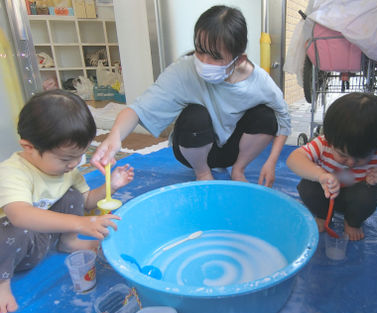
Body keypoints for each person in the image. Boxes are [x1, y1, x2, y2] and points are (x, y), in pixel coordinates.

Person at [91, 5, 291, 187]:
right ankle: (203, 173)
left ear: (239, 60)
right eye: (200, 51)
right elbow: (138, 109)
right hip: (195, 149)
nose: (204, 61)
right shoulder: (184, 70)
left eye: (215, 57)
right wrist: (114, 137)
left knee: (266, 116)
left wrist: (271, 162)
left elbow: (283, 117)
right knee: (194, 114)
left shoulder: (259, 81)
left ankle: (238, 170)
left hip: (233, 150)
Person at [0, 89, 134, 313]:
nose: (75, 164)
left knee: (72, 195)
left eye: (81, 155)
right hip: (8, 249)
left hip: (44, 238)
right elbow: (21, 215)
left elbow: (86, 201)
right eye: (66, 158)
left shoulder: (67, 169)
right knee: (10, 226)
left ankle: (69, 243)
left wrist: (112, 186)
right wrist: (79, 223)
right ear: (28, 147)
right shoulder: (12, 173)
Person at [286, 92, 377, 241]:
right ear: (330, 140)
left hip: (354, 200)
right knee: (307, 186)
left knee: (369, 195)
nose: (351, 163)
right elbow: (293, 159)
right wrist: (321, 175)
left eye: (361, 158)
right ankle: (322, 216)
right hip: (325, 196)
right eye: (342, 155)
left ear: (376, 146)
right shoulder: (323, 144)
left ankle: (352, 222)